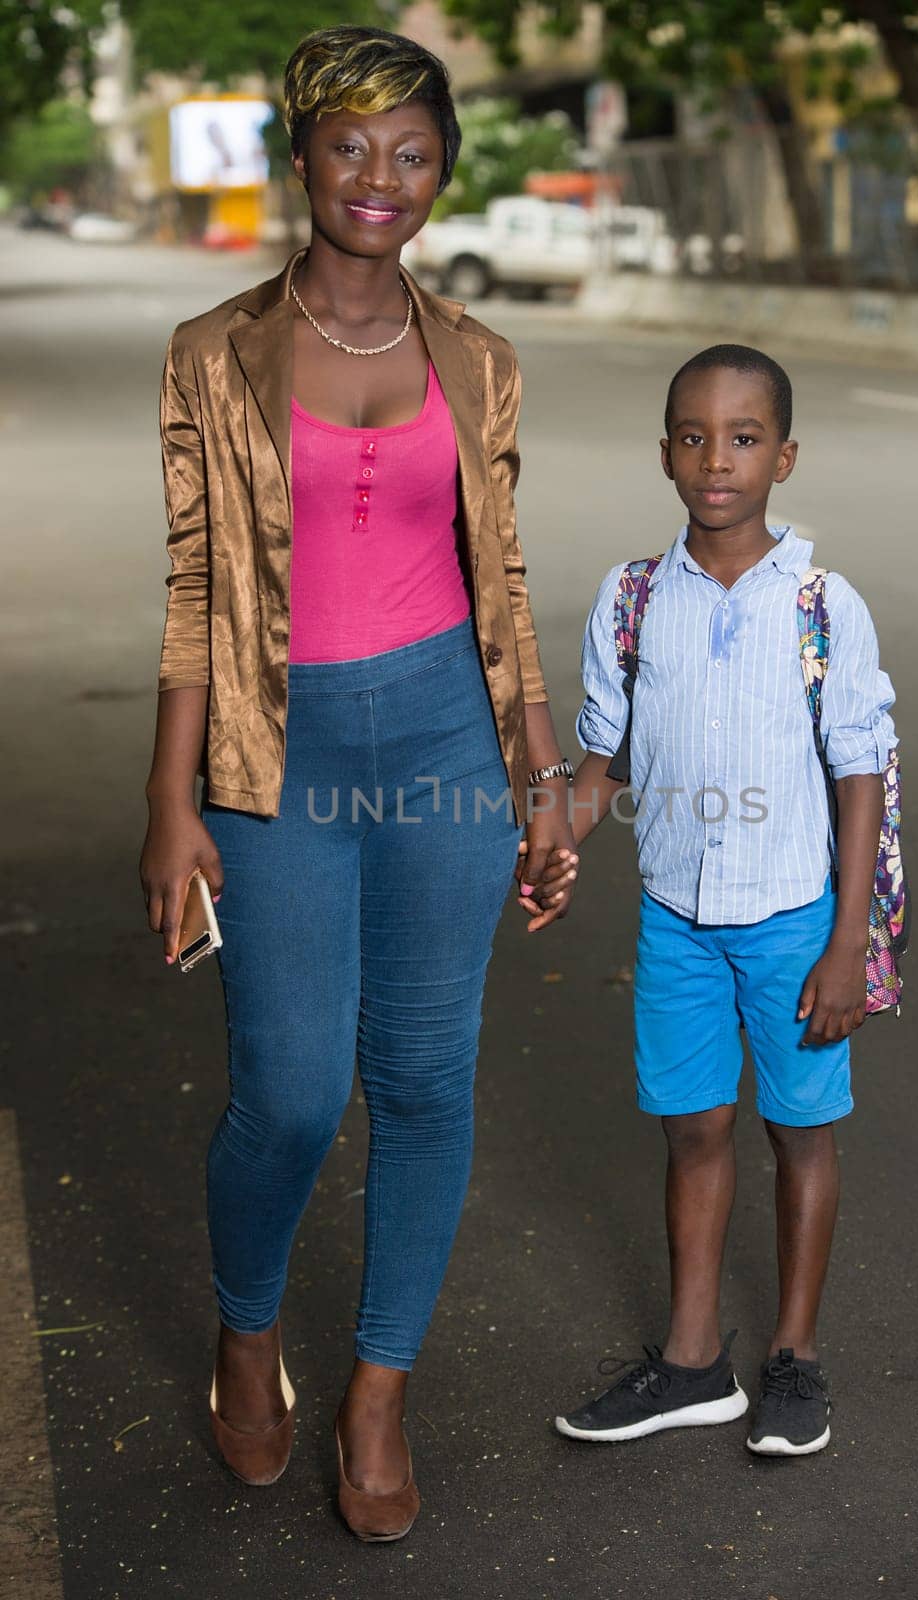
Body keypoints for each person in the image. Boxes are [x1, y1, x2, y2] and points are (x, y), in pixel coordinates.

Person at [138, 25, 579, 1542]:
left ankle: (378, 1391)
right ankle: (247, 1331)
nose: (379, 177)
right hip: (280, 758)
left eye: (411, 151)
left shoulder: (482, 357)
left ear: (441, 172)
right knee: (290, 1088)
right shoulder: (215, 351)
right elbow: (197, 582)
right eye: (350, 146)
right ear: (302, 158)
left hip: (449, 744)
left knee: (425, 1080)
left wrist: (540, 772)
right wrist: (169, 796)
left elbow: (500, 574)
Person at [541, 344, 896, 1457]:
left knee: (799, 1131)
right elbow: (605, 759)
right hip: (677, 922)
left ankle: (794, 1358)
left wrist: (846, 940)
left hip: (795, 920)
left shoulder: (825, 605)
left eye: (744, 438)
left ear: (784, 456)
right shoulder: (634, 598)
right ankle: (694, 1364)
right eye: (693, 436)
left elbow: (860, 775)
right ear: (664, 454)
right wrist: (554, 836)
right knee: (692, 1129)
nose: (717, 459)